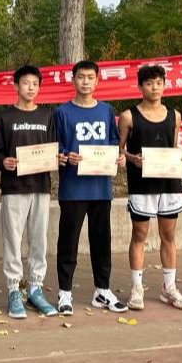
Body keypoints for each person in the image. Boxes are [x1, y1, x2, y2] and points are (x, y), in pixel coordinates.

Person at [53, 60, 128, 315]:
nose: (85, 81)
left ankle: (102, 290)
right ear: (73, 79)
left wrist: (118, 157)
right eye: (81, 77)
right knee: (68, 242)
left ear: (97, 80)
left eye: (90, 77)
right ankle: (65, 292)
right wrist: (65, 155)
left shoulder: (106, 111)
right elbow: (55, 146)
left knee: (101, 241)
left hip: (100, 188)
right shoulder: (62, 112)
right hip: (73, 189)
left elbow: (113, 142)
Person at [118, 65, 182, 311]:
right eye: (149, 83)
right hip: (141, 184)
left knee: (168, 235)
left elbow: (173, 146)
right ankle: (136, 289)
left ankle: (168, 288)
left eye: (159, 82)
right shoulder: (129, 116)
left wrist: (180, 158)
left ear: (165, 85)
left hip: (169, 184)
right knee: (139, 235)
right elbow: (119, 149)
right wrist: (132, 158)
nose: (155, 87)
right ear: (140, 87)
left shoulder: (175, 115)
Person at [0, 64, 62, 319]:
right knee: (12, 240)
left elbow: (54, 149)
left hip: (41, 187)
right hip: (13, 188)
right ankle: (13, 289)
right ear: (16, 86)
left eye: (35, 84)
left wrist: (57, 158)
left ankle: (35, 288)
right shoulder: (4, 117)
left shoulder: (47, 116)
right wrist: (4, 162)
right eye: (25, 83)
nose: (30, 88)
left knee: (39, 240)